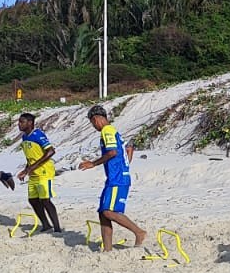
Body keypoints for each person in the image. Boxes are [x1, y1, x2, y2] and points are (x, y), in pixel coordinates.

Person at [78, 105, 145, 250]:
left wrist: (93, 163)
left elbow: (113, 152)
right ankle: (107, 249)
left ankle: (139, 232)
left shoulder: (107, 131)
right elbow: (127, 150)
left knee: (109, 212)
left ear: (95, 119)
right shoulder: (114, 131)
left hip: (118, 179)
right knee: (103, 213)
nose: (93, 126)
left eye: (92, 123)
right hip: (116, 177)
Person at [16, 112, 63, 234]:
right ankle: (46, 225)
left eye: (22, 122)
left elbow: (51, 151)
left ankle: (57, 228)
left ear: (30, 123)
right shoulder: (24, 137)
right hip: (33, 173)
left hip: (44, 172)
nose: (19, 124)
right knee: (33, 200)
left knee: (45, 200)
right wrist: (26, 170)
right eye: (19, 122)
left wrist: (33, 167)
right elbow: (30, 157)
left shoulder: (38, 135)